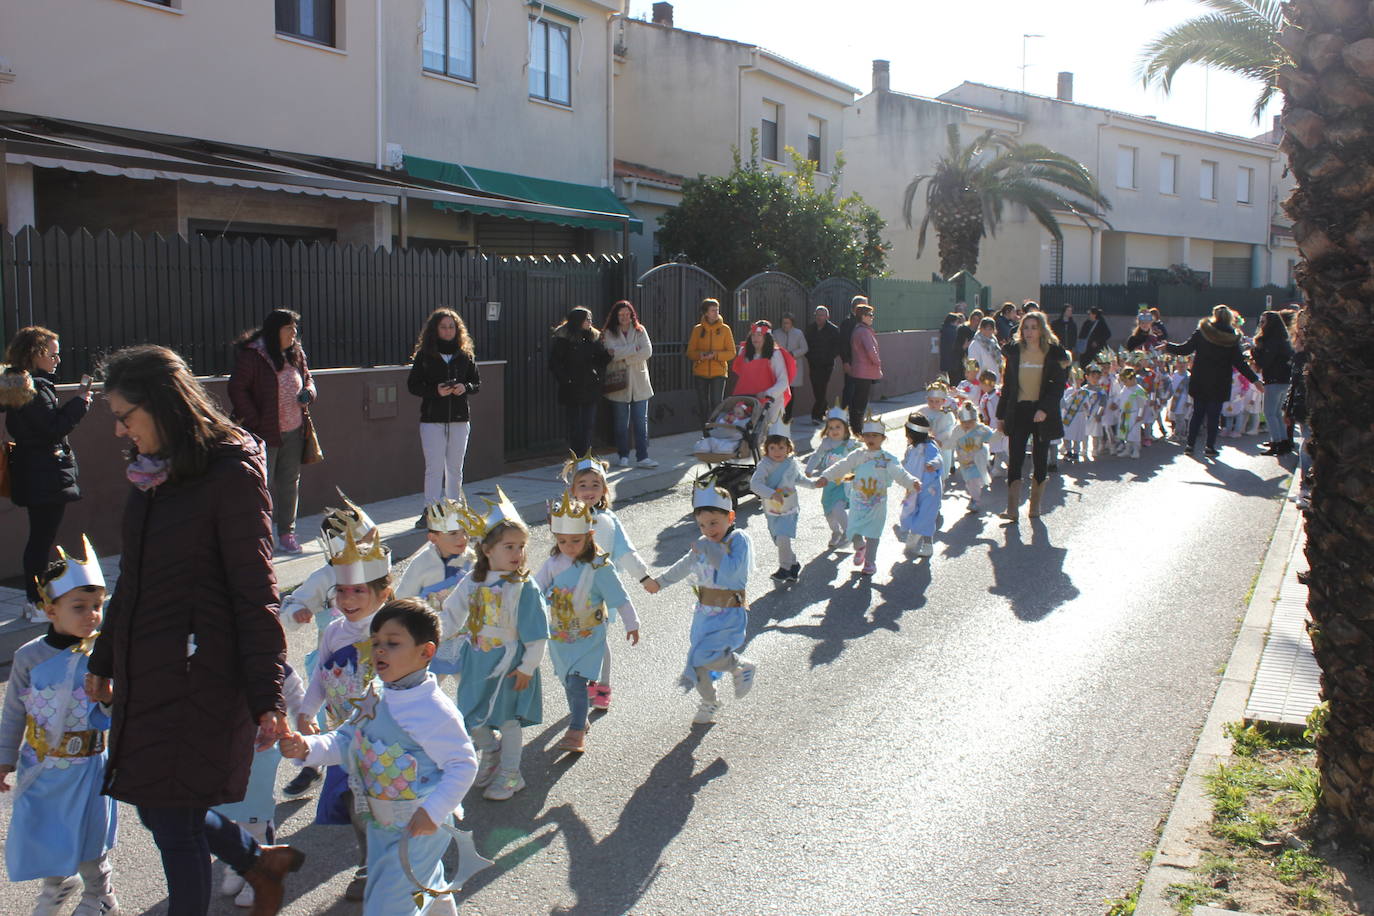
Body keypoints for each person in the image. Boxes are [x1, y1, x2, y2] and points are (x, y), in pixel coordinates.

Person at [87, 345, 299, 916]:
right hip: (148, 667)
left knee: (173, 817)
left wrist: (267, 694)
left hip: (201, 672)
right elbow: (133, 577)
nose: (119, 429)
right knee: (159, 806)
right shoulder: (150, 472)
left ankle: (252, 866)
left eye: (125, 415)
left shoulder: (230, 474)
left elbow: (256, 591)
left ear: (163, 405)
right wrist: (103, 658)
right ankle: (257, 862)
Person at [279, 599, 480, 916]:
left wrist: (433, 811)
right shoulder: (374, 694)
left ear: (426, 652)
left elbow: (463, 764)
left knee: (388, 904)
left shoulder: (433, 710)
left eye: (392, 643)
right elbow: (347, 739)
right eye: (375, 643)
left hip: (419, 824)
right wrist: (307, 747)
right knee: (424, 884)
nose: (380, 650)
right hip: (381, 823)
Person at [0, 539, 119, 916]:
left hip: (87, 768)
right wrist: (4, 759)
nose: (92, 615)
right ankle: (58, 885)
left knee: (88, 840)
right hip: (41, 766)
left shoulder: (105, 655)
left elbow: (119, 713)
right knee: (48, 834)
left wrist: (109, 697)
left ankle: (100, 895)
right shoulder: (29, 656)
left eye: (98, 606)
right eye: (79, 606)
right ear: (51, 610)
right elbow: (13, 712)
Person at [296, 531, 393, 903]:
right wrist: (306, 710)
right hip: (344, 738)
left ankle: (394, 862)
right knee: (354, 802)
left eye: (358, 591)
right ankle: (369, 863)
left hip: (385, 741)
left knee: (384, 804)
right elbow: (321, 676)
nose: (347, 599)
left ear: (383, 593)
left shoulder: (392, 632)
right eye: (341, 591)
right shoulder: (334, 632)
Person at [442, 491, 549, 801]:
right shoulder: (472, 582)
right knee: (471, 715)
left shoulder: (523, 587)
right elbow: (451, 615)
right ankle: (491, 751)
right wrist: (430, 635)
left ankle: (511, 773)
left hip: (510, 664)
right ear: (487, 549)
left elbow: (537, 634)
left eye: (521, 546)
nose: (517, 553)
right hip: (476, 661)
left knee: (508, 719)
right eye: (509, 546)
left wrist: (528, 667)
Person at [642, 483, 758, 725]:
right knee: (696, 663)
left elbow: (729, 572)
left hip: (729, 612)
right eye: (702, 525)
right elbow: (685, 565)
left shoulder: (738, 539)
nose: (708, 530)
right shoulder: (704, 543)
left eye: (714, 523)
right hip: (704, 614)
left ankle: (739, 666)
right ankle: (709, 701)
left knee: (706, 656)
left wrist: (708, 547)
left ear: (730, 517)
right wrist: (660, 582)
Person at [534, 492, 640, 754]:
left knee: (577, 682)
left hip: (589, 634)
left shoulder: (599, 565)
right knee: (568, 680)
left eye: (576, 540)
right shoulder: (553, 563)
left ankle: (576, 730)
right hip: (560, 635)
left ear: (589, 535)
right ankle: (580, 719)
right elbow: (535, 589)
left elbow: (618, 595)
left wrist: (631, 622)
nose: (569, 546)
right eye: (562, 541)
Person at [0, 326, 92, 622]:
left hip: (34, 471)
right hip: (45, 473)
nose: (57, 360)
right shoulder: (35, 389)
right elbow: (52, 429)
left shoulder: (20, 386)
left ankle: (37, 600)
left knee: (40, 538)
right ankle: (36, 602)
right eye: (53, 354)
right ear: (35, 354)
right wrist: (80, 403)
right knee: (41, 540)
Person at [228, 309, 317, 555]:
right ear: (274, 330)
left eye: (295, 328)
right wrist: (255, 420)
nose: (293, 333)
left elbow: (308, 379)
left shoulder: (296, 353)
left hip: (294, 430)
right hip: (263, 434)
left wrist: (309, 392)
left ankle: (287, 534)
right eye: (288, 328)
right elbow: (237, 389)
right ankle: (260, 534)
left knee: (289, 484)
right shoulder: (253, 355)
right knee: (261, 486)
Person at [815, 414, 919, 576]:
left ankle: (870, 562)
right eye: (867, 435)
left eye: (875, 436)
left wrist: (912, 482)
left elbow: (900, 473)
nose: (871, 439)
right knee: (853, 529)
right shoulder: (858, 455)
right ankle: (860, 546)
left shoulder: (887, 459)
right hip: (858, 502)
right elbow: (842, 466)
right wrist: (826, 476)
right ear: (862, 437)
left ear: (883, 438)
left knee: (873, 533)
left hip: (877, 505)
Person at [407, 308, 481, 529]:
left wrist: (464, 387)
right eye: (443, 327)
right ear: (435, 330)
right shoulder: (425, 355)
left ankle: (454, 509)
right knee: (434, 467)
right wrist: (435, 391)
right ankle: (430, 510)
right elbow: (413, 385)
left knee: (455, 468)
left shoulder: (464, 354)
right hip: (432, 419)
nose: (448, 331)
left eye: (451, 327)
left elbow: (476, 383)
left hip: (459, 418)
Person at [996, 311, 1070, 521]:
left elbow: (1058, 386)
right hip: (1019, 410)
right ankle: (1012, 509)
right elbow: (1007, 386)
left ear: (1041, 330)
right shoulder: (1014, 352)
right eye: (1026, 327)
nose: (1029, 332)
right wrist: (1001, 415)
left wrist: (1044, 409)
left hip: (1041, 412)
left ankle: (1035, 506)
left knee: (1040, 458)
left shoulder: (1053, 354)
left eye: (1033, 327)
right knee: (1016, 457)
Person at [1164, 305, 1262, 459]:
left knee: (1197, 413)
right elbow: (1240, 363)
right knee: (1214, 416)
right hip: (1220, 381)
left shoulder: (1202, 331)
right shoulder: (1232, 337)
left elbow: (1185, 349)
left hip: (1200, 378)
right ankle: (1210, 447)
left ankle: (1190, 445)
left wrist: (1167, 346)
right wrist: (1254, 379)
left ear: (1214, 316)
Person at [750, 434, 817, 582]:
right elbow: (755, 484)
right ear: (766, 450)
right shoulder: (764, 465)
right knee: (778, 539)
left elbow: (798, 478)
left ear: (788, 449)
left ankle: (784, 568)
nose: (777, 451)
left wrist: (813, 484)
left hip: (789, 507)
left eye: (781, 447)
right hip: (772, 509)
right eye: (772, 448)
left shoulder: (791, 463)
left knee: (782, 536)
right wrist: (772, 493)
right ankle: (793, 565)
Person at [549, 307, 612, 457]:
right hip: (572, 388)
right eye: (586, 319)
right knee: (575, 425)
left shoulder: (592, 338)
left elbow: (599, 360)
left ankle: (586, 455)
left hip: (590, 386)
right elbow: (554, 363)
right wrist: (566, 380)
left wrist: (607, 356)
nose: (590, 322)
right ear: (578, 321)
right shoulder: (563, 339)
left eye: (590, 319)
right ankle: (577, 455)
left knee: (588, 424)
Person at [601, 300, 657, 468]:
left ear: (632, 315)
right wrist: (634, 349)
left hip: (639, 383)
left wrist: (624, 356)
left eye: (627, 314)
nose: (624, 317)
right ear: (616, 316)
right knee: (620, 424)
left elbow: (647, 351)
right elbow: (611, 354)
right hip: (619, 384)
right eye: (621, 314)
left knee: (640, 422)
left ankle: (643, 457)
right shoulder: (609, 332)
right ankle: (623, 455)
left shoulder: (640, 330)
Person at [805, 405, 859, 549]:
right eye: (831, 427)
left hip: (845, 482)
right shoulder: (826, 443)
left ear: (845, 428)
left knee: (837, 508)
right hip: (828, 482)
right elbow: (817, 456)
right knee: (828, 511)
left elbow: (861, 457)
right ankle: (836, 532)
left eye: (838, 427)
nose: (834, 430)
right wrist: (809, 469)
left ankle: (848, 532)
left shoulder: (850, 444)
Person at [730, 320, 792, 433]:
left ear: (766, 337)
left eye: (759, 335)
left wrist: (767, 393)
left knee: (770, 435)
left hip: (771, 403)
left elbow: (783, 381)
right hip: (749, 400)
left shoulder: (775, 354)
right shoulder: (744, 353)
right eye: (753, 335)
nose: (755, 338)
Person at [897, 414, 943, 559]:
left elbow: (938, 459)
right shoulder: (911, 449)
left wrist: (932, 464)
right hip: (913, 488)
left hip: (929, 489)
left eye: (908, 434)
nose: (907, 437)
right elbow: (905, 464)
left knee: (926, 515)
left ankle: (927, 545)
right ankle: (912, 533)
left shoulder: (929, 446)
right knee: (909, 511)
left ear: (912, 434)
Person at [1252, 310, 1295, 456]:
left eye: (1263, 322)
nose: (1261, 324)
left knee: (1270, 413)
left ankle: (1277, 442)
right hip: (1284, 380)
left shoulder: (1272, 341)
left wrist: (1255, 353)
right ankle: (1283, 441)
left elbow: (1265, 362)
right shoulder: (1284, 340)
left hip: (1274, 380)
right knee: (1276, 413)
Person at [686, 299, 735, 423]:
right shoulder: (697, 329)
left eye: (717, 310)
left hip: (719, 372)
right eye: (713, 310)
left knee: (716, 402)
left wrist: (716, 355)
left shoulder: (725, 329)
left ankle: (716, 428)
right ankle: (705, 430)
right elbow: (690, 352)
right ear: (706, 313)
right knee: (703, 404)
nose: (716, 312)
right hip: (700, 372)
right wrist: (700, 355)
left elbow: (732, 352)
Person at [1283, 312, 1311, 508]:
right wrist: (1288, 408)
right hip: (1301, 405)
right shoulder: (1298, 349)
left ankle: (1307, 489)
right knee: (1306, 444)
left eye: (1305, 326)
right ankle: (1304, 488)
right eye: (1299, 326)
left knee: (1308, 444)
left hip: (1314, 403)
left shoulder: (1317, 349)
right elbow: (1294, 382)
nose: (1301, 330)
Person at [847, 304, 882, 435]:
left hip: (860, 370)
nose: (872, 317)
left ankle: (856, 426)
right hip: (864, 371)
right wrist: (877, 362)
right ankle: (857, 428)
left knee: (858, 400)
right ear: (863, 316)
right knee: (860, 401)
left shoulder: (858, 330)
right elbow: (871, 350)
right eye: (870, 315)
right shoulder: (864, 332)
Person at [803, 306, 842, 423]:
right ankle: (824, 407)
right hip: (813, 364)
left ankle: (816, 415)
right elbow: (806, 345)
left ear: (827, 316)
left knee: (822, 387)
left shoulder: (833, 329)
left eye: (822, 315)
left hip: (826, 365)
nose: (819, 317)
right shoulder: (810, 329)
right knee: (816, 388)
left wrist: (829, 357)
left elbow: (838, 347)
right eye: (817, 315)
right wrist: (810, 357)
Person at [772, 313, 809, 426]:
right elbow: (772, 346)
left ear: (792, 323)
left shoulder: (798, 333)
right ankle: (778, 415)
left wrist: (793, 354)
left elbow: (804, 348)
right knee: (779, 391)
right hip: (780, 365)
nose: (785, 325)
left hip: (793, 366)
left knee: (790, 391)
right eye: (783, 323)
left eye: (787, 323)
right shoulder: (776, 333)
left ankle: (788, 416)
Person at [837, 296, 868, 409]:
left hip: (863, 363)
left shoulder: (864, 322)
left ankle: (858, 413)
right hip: (852, 362)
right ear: (857, 308)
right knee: (850, 389)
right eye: (865, 306)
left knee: (861, 391)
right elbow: (843, 344)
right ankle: (846, 413)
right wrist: (846, 362)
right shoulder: (847, 323)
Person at [938, 312, 965, 381]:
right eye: (957, 322)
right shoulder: (953, 331)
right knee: (955, 380)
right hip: (953, 360)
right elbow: (956, 345)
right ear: (953, 322)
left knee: (949, 378)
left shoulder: (944, 330)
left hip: (946, 359)